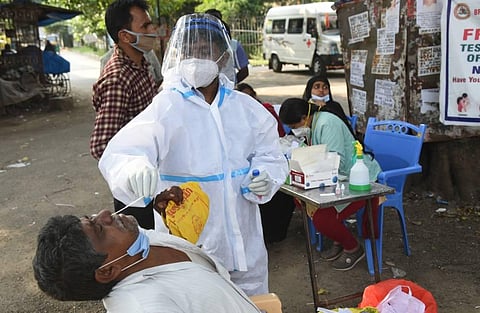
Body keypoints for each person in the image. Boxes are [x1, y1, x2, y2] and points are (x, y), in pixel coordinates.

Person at [98, 13, 289, 296]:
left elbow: (272, 154)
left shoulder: (245, 108)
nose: (195, 58)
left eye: (204, 50)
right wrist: (134, 169)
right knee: (197, 298)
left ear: (222, 55)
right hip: (189, 241)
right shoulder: (167, 107)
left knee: (251, 300)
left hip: (244, 240)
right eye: (189, 51)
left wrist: (265, 175)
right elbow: (124, 151)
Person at [32, 198, 262, 312]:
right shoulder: (145, 306)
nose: (104, 214)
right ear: (108, 270)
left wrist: (173, 215)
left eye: (90, 218)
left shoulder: (135, 245)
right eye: (99, 228)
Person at [278, 75, 382, 271]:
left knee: (322, 217)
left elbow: (336, 161)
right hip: (337, 177)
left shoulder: (326, 123)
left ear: (304, 118)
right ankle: (339, 238)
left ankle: (353, 248)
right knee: (299, 199)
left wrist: (312, 172)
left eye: (294, 127)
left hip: (359, 179)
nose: (294, 131)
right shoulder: (313, 124)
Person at [90, 0, 160, 229]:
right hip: (137, 188)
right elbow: (100, 145)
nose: (153, 31)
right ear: (125, 36)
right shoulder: (118, 79)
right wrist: (133, 168)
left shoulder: (142, 65)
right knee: (144, 245)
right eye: (146, 26)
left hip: (155, 176)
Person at [236, 82, 295, 243]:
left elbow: (274, 142)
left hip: (266, 166)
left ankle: (275, 233)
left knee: (280, 193)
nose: (247, 101)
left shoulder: (264, 112)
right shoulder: (233, 119)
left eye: (250, 96)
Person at [205, 9, 249, 83]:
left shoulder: (234, 46)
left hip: (227, 90)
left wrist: (231, 84)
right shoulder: (199, 45)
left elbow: (244, 71)